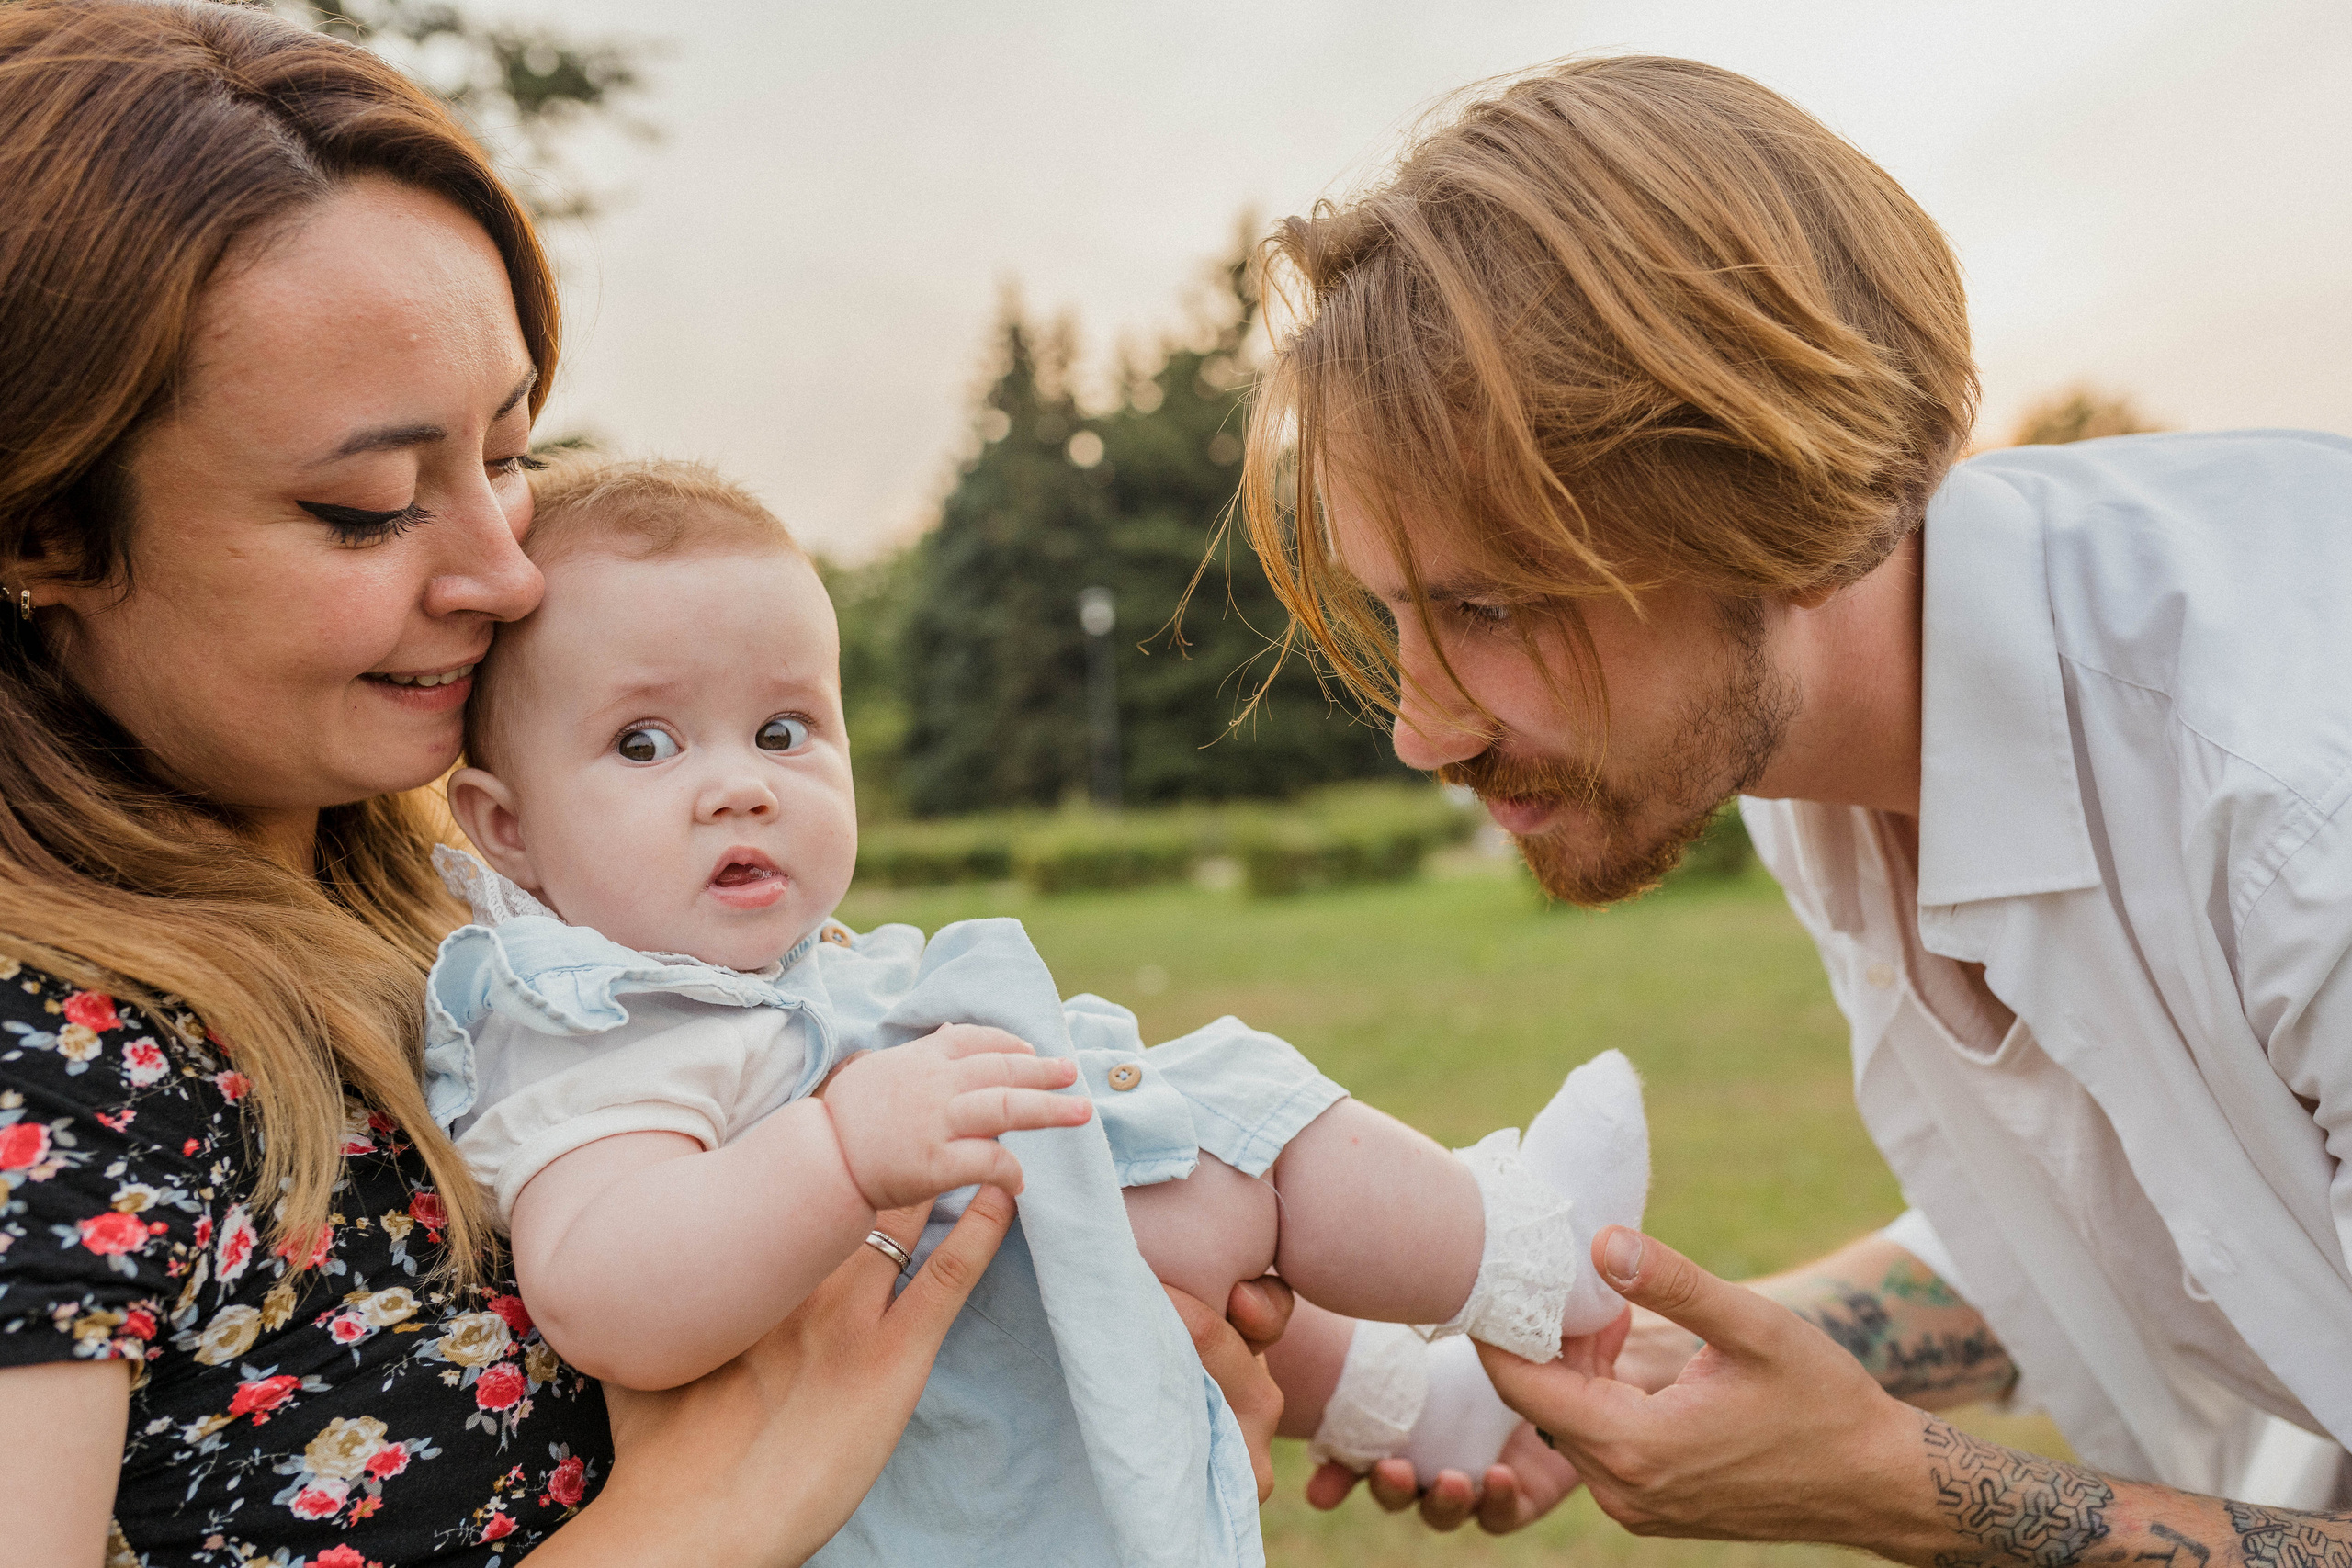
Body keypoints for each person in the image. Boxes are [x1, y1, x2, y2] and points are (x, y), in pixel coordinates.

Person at [0, 5, 1287, 1563]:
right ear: (45, 535)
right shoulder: (51, 1071)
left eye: (511, 450)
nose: (501, 569)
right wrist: (710, 1510)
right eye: (364, 507)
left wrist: (1079, 1402)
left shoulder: (502, 904)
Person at [1238, 51, 2352, 1562]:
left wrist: (1902, 1489)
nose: (1419, 731)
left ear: (1759, 496)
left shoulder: (2298, 805)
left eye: (1493, 607)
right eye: (1398, 617)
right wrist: (1665, 1361)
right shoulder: (1798, 758)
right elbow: (2143, 1213)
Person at [420, 455, 1655, 1561]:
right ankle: (1528, 1257)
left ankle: (1436, 1378)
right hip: (878, 1449)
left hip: (985, 1329)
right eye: (645, 745)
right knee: (1208, 1151)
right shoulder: (588, 1024)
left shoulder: (791, 974)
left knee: (1182, 1149)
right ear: (507, 830)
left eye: (784, 729)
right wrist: (842, 1146)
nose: (737, 786)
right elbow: (604, 1290)